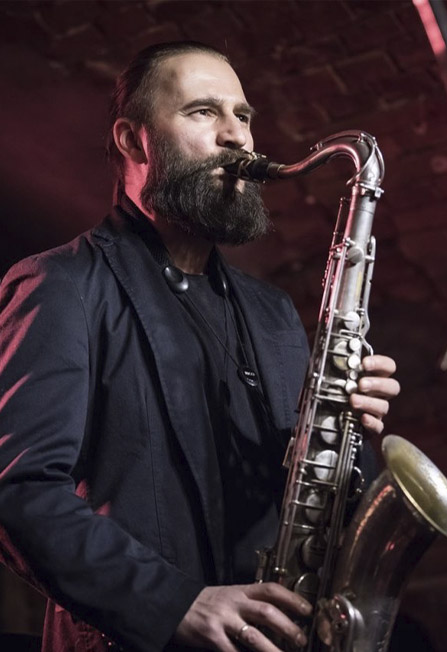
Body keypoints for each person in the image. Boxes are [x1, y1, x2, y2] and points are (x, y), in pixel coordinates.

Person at [0, 42, 400, 652]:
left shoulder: (272, 312)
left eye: (243, 115)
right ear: (134, 141)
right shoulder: (59, 284)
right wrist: (173, 604)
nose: (237, 135)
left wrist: (350, 435)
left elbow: (313, 508)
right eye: (203, 111)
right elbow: (18, 491)